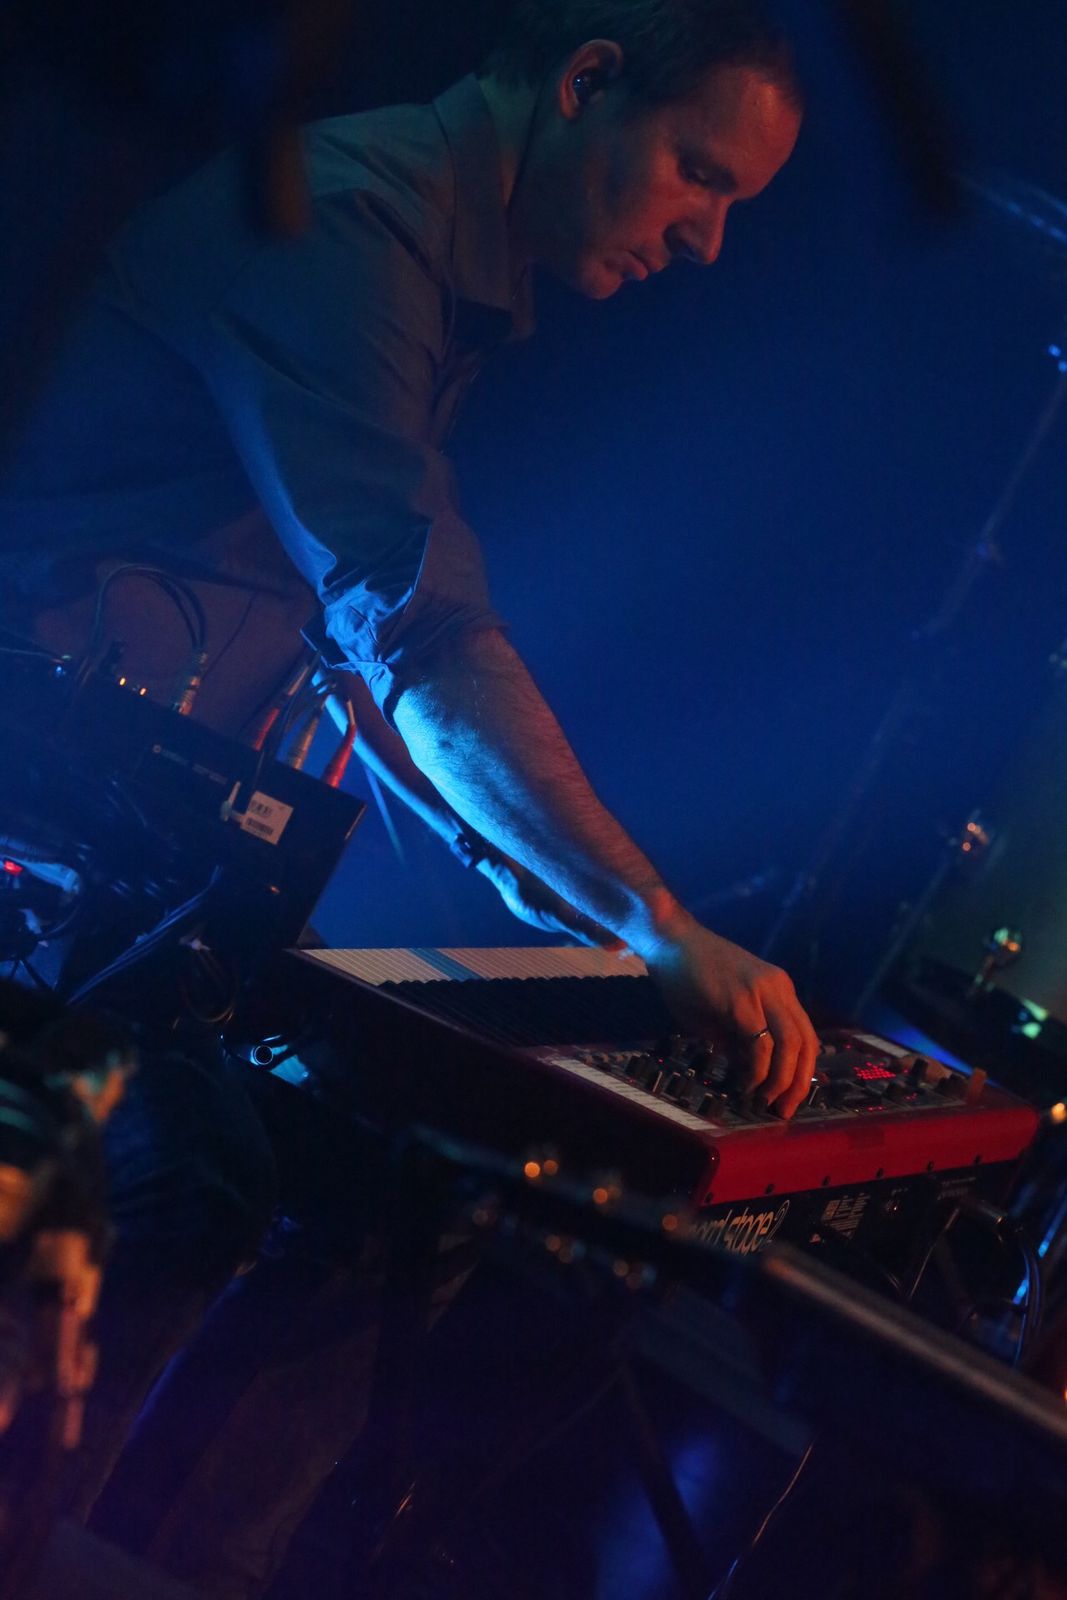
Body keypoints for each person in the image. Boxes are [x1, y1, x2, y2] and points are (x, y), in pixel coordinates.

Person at [0, 1, 819, 1590]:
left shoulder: (437, 267)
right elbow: (413, 628)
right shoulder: (347, 228)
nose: (708, 240)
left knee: (397, 1192)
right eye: (699, 175)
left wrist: (570, 918)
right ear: (588, 81)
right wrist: (650, 922)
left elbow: (355, 660)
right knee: (182, 1177)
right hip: (36, 841)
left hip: (116, 862)